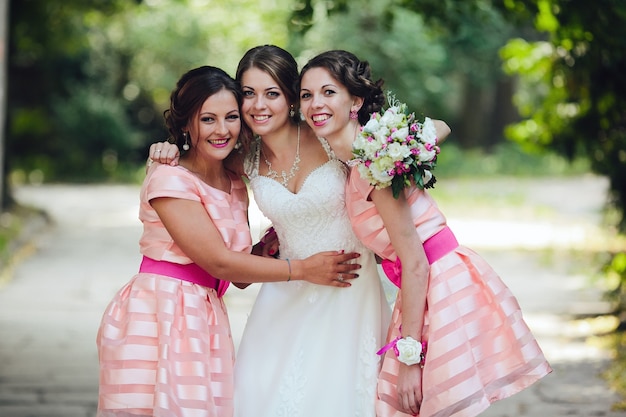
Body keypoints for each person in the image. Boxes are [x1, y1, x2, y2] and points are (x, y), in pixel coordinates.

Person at [96, 65, 362, 417]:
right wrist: (302, 269)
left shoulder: (234, 181)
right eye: (208, 119)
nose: (222, 130)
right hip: (161, 311)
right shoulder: (170, 179)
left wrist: (268, 247)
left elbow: (237, 275)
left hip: (204, 311)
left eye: (231, 117)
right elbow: (217, 261)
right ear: (187, 123)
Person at [299, 49, 553, 417]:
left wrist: (410, 359)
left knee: (415, 401)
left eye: (328, 92)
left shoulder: (375, 165)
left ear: (355, 100)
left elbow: (414, 261)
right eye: (306, 95)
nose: (315, 103)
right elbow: (439, 128)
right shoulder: (367, 161)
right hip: (430, 284)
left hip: (437, 282)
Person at [148, 45, 393, 417]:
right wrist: (166, 151)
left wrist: (409, 147)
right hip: (284, 297)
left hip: (350, 291)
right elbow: (194, 159)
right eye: (248, 93)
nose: (258, 105)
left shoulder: (331, 136)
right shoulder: (242, 157)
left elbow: (426, 134)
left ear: (292, 98)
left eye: (272, 93)